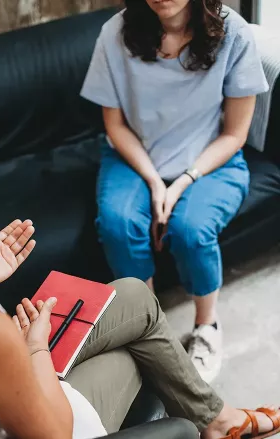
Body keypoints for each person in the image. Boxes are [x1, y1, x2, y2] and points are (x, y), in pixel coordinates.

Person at [0, 64, 279, 439]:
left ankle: (218, 420)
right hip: (50, 421)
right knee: (141, 354)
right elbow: (51, 432)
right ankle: (216, 422)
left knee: (135, 297)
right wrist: (33, 347)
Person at [80, 0, 269, 383]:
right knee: (117, 224)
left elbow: (235, 134)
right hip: (135, 154)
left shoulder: (234, 34)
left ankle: (207, 327)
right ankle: (149, 331)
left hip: (210, 158)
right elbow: (114, 126)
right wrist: (153, 180)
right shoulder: (114, 34)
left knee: (192, 230)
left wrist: (184, 180)